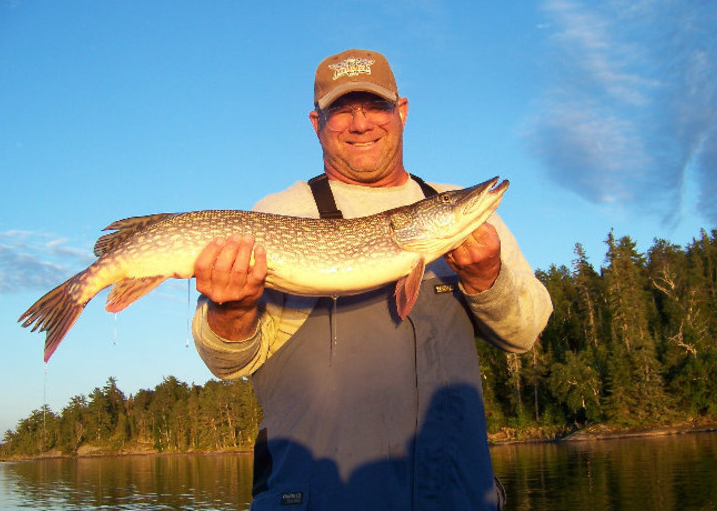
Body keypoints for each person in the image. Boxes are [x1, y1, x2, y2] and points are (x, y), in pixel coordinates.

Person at [191, 48, 553, 511]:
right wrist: (232, 309)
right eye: (341, 110)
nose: (360, 124)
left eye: (375, 106)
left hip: (459, 497)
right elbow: (225, 361)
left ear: (401, 112)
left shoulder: (462, 217)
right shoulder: (280, 213)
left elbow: (526, 333)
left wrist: (487, 278)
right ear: (315, 122)